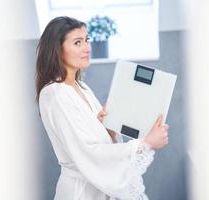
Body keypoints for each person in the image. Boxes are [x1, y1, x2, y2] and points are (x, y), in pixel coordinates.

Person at [36, 16, 169, 200]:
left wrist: (107, 129)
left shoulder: (81, 87)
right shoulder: (55, 94)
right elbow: (87, 152)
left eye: (87, 40)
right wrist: (145, 144)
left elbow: (93, 140)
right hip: (80, 193)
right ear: (58, 50)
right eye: (77, 42)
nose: (87, 48)